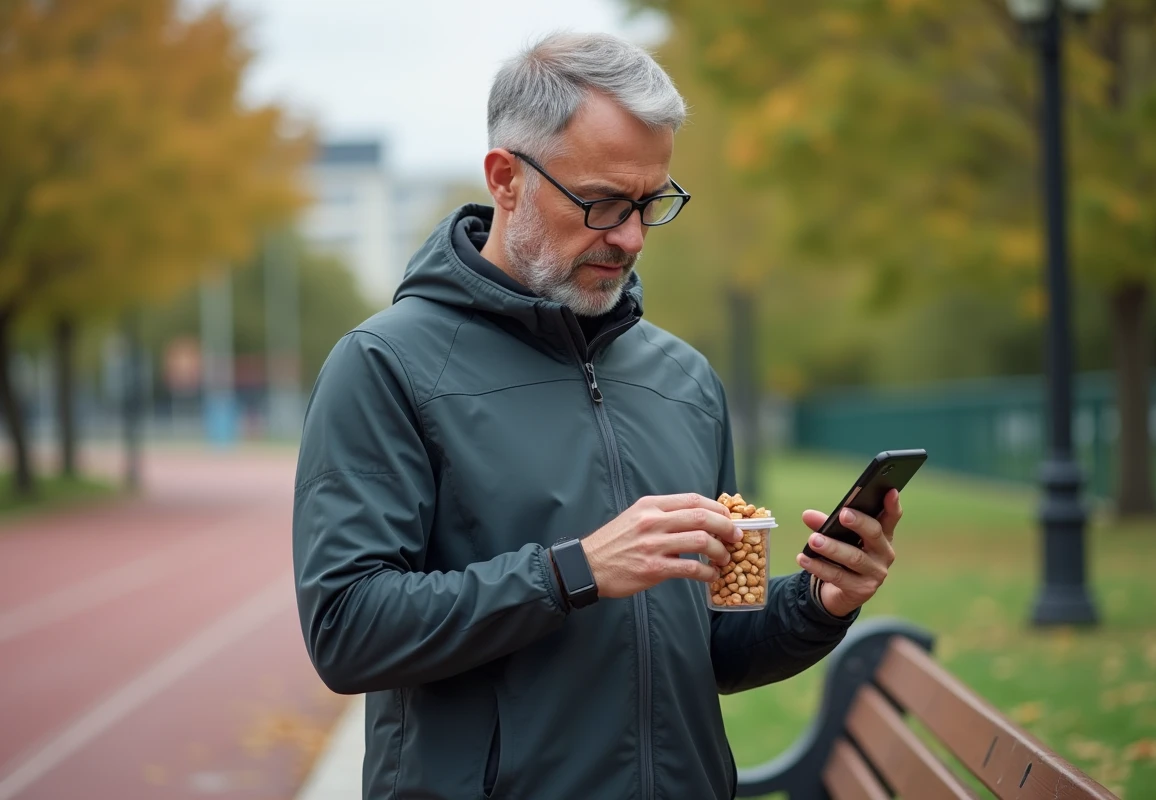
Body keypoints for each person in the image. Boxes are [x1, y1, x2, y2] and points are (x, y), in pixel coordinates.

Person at [292, 31, 902, 800]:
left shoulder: (685, 380)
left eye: (652, 202)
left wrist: (820, 603)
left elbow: (707, 643)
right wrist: (573, 572)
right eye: (604, 203)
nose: (632, 236)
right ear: (505, 177)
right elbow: (347, 630)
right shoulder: (384, 365)